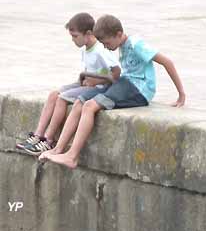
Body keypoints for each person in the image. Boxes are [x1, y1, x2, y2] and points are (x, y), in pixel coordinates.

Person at [39, 14, 186, 168]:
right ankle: (58, 149)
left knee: (90, 106)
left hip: (138, 89)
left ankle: (72, 156)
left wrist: (181, 93)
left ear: (118, 34)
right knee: (79, 102)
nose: (105, 47)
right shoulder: (121, 45)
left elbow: (167, 62)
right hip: (125, 83)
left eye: (107, 43)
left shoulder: (136, 44)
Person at [16, 13, 120, 155]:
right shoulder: (86, 49)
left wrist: (96, 80)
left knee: (62, 98)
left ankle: (48, 140)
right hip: (87, 83)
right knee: (54, 94)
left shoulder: (100, 50)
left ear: (88, 33)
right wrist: (82, 80)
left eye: (75, 36)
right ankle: (38, 135)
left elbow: (116, 73)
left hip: (98, 88)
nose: (72, 40)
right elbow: (88, 71)